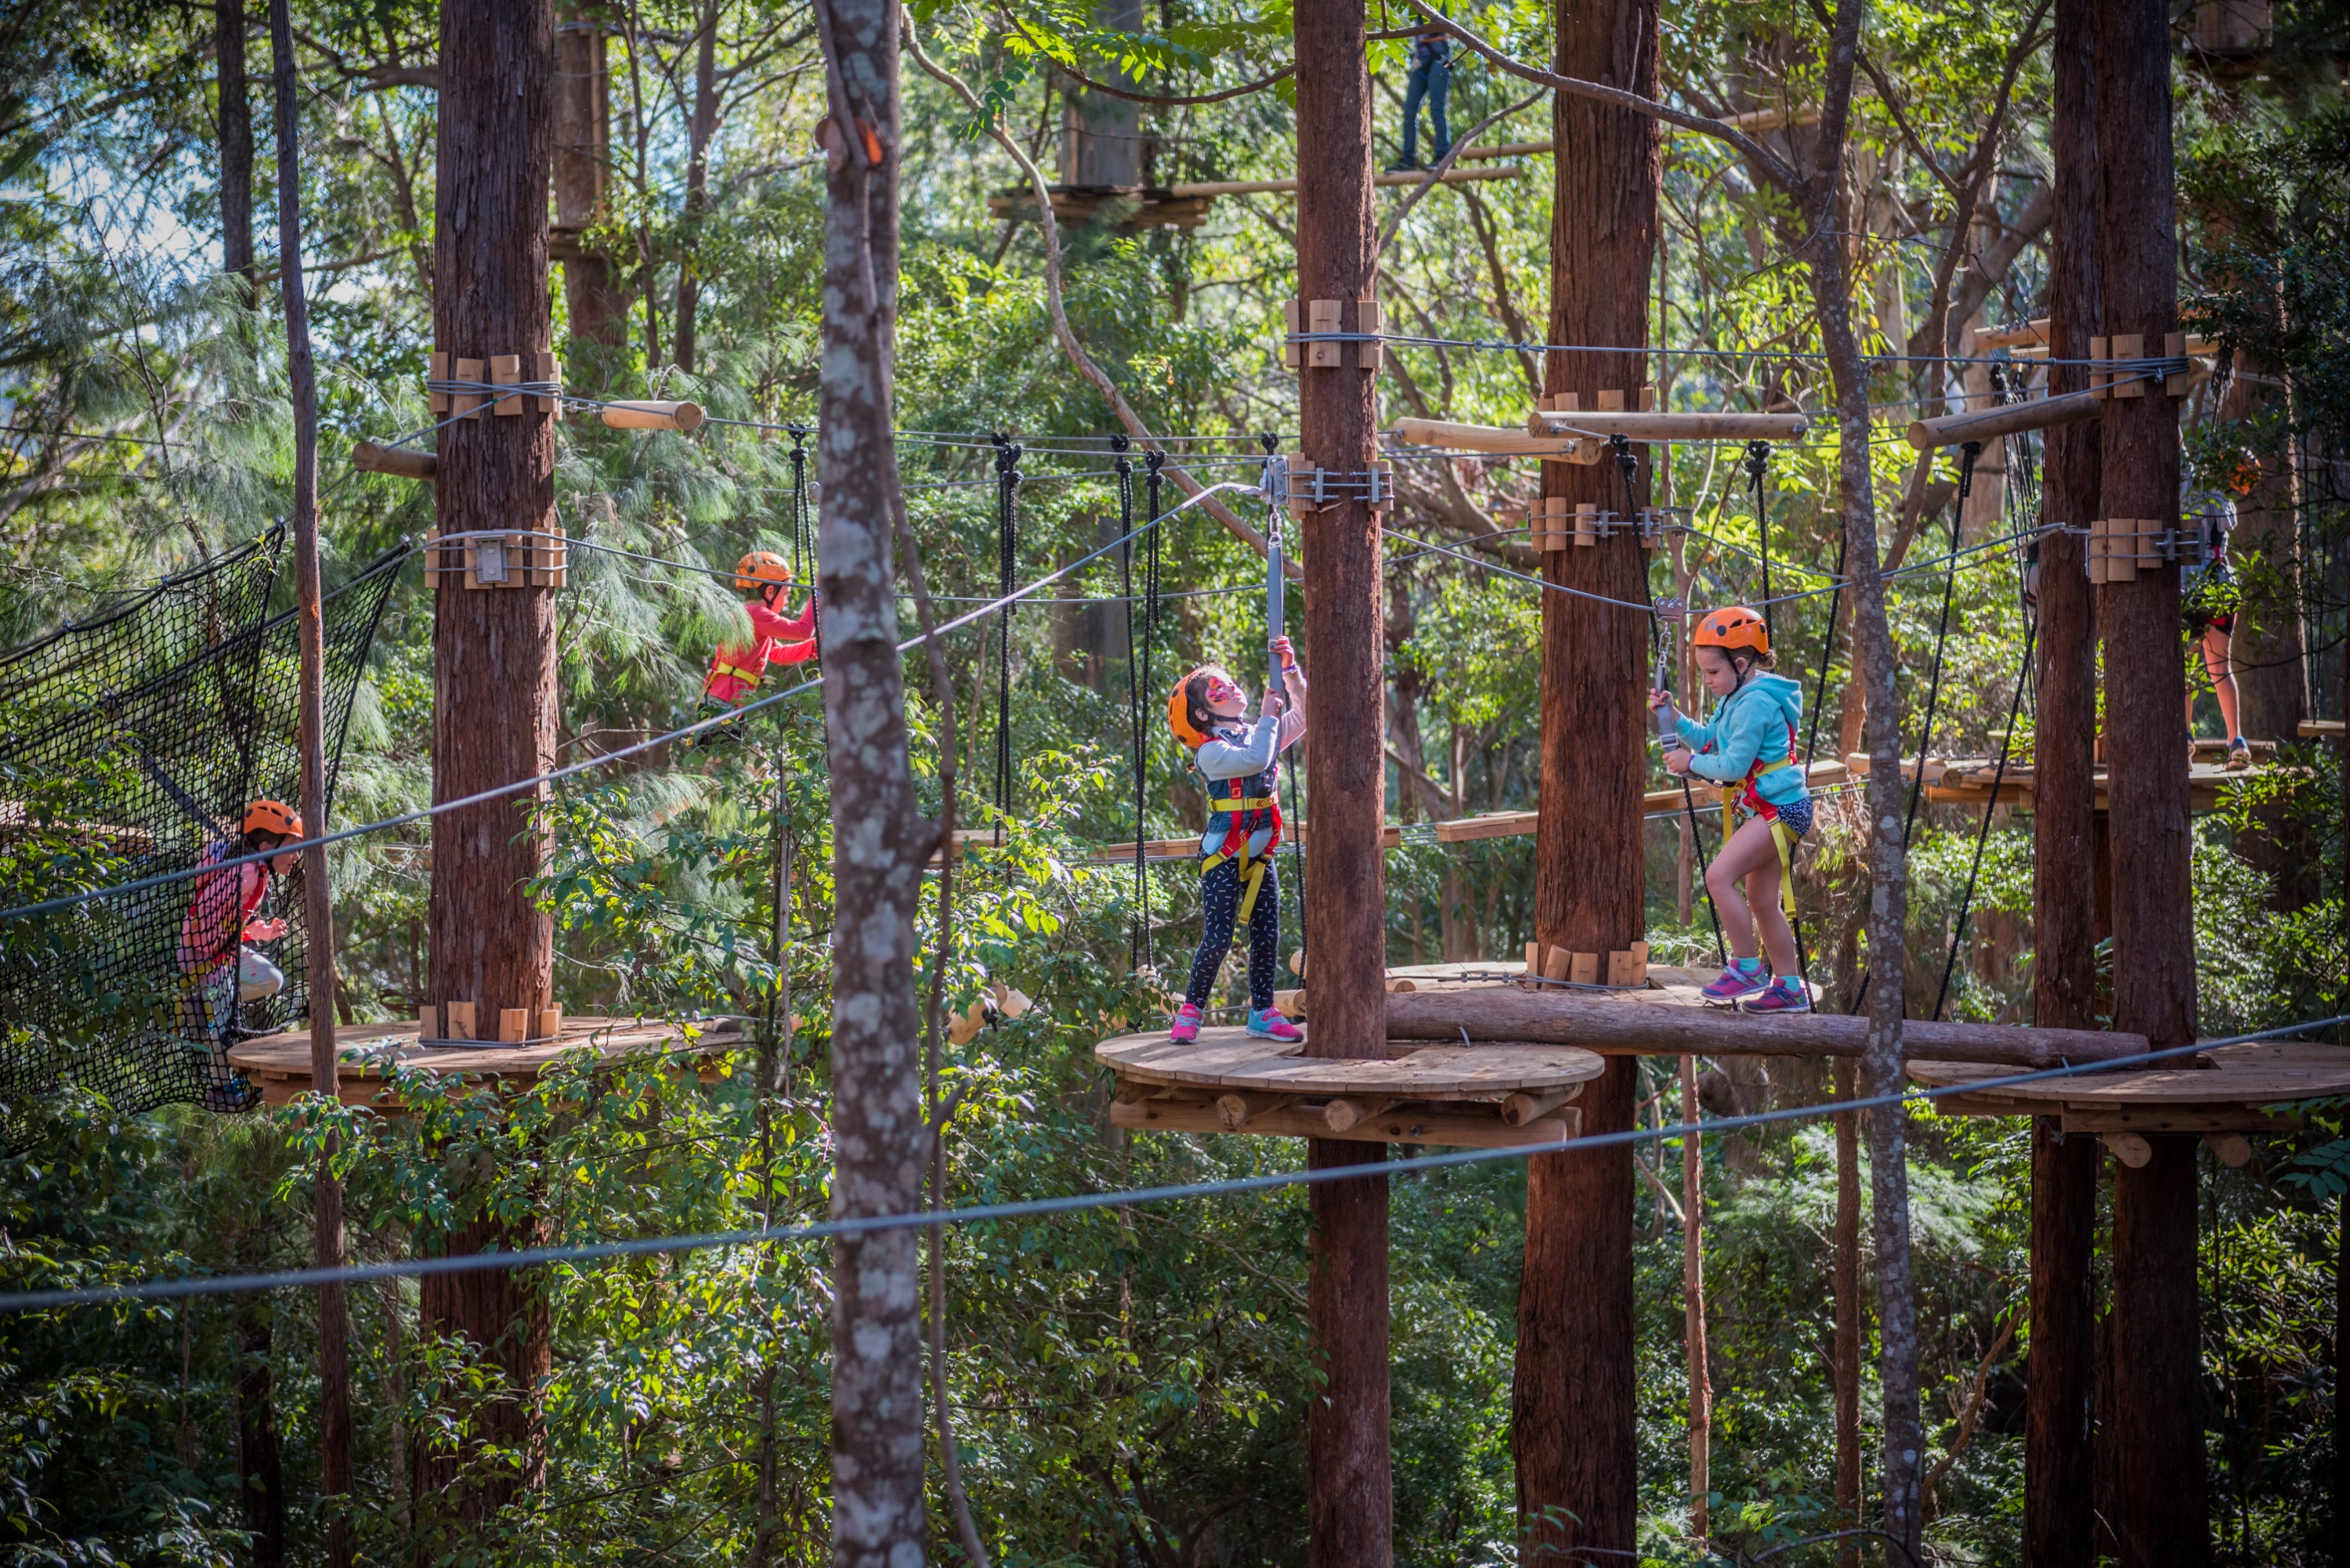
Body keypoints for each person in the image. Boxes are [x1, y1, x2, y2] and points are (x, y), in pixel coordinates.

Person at [1649, 607, 1814, 1013]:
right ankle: (1789, 987)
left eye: (1712, 673)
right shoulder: (1738, 696)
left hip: (1781, 808)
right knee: (1761, 900)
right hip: (1776, 807)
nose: (1707, 681)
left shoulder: (1755, 703)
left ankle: (1746, 968)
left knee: (1718, 877)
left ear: (1740, 665)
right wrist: (1675, 718)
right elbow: (1709, 740)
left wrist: (1689, 765)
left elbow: (1733, 766)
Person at [1166, 638, 1308, 1044]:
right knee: (1219, 936)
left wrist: (1290, 673)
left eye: (1228, 682)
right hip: (1224, 857)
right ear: (1202, 713)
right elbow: (1255, 760)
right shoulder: (1211, 752)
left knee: (1267, 933)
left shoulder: (1256, 733)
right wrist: (1267, 716)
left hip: (1261, 855)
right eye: (1217, 689)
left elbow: (1306, 715)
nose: (1229, 688)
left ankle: (1262, 1010)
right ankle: (1192, 1010)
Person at [177, 799, 302, 1107]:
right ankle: (221, 1090)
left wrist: (262, 931)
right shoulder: (245, 874)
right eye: (293, 848)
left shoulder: (257, 871)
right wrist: (210, 963)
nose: (297, 857)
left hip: (223, 952)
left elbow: (236, 922)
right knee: (223, 1027)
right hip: (203, 958)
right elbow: (206, 913)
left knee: (272, 979)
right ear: (264, 848)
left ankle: (208, 1003)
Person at [2182, 454, 2257, 771]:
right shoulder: (2226, 503)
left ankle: (2183, 739)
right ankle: (2235, 741)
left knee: (2185, 669)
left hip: (2196, 587)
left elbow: (2185, 473)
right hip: (2224, 584)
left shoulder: (2192, 492)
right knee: (2220, 670)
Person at [703, 551, 818, 709]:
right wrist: (818, 592)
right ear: (770, 591)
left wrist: (813, 646)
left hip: (725, 697)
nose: (786, 603)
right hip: (725, 699)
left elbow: (777, 654)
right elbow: (804, 631)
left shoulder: (750, 615)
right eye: (786, 595)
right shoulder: (757, 614)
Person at [1390, 24, 1452, 172]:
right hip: (1420, 61)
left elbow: (1441, 20)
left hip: (1439, 59)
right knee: (1409, 111)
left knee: (1437, 109)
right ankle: (1408, 160)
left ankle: (1442, 158)